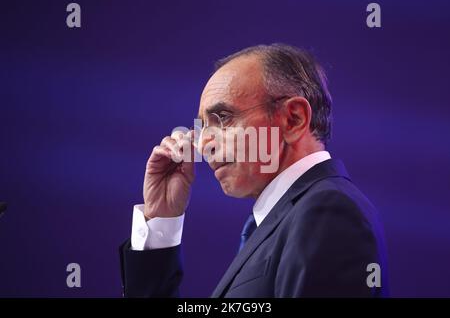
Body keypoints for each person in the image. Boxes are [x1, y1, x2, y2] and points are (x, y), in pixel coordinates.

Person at [119, 44, 389, 297]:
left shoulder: (327, 211)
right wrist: (161, 221)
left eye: (222, 118)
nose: (202, 144)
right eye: (202, 127)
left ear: (293, 119)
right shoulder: (289, 218)